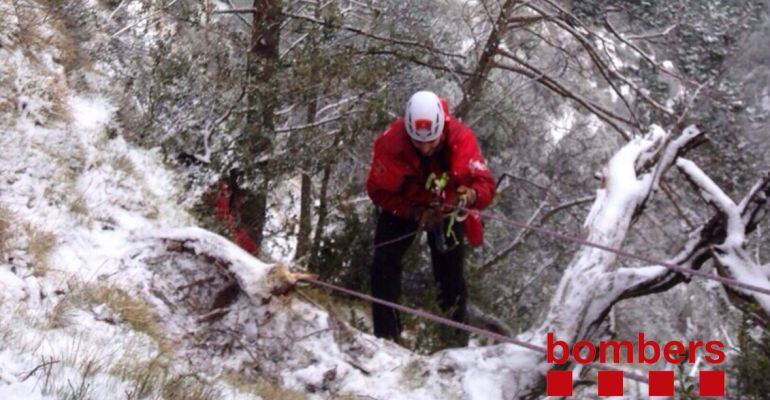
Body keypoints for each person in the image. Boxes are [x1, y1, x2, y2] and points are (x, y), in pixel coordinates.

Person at [365, 90, 495, 346]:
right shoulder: (390, 143)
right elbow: (377, 190)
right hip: (406, 204)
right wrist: (413, 212)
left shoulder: (460, 138)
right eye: (418, 143)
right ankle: (386, 337)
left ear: (442, 129)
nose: (425, 148)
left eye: (432, 143)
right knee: (384, 263)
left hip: (448, 206)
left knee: (450, 280)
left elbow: (485, 184)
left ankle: (456, 343)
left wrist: (469, 196)